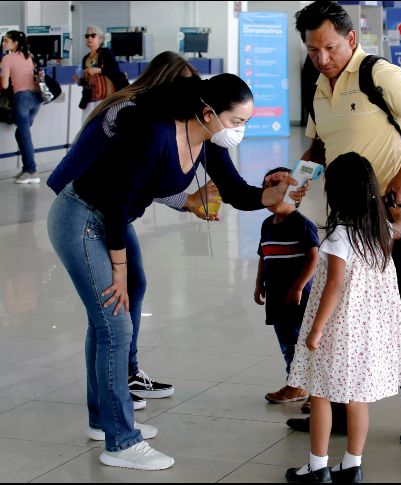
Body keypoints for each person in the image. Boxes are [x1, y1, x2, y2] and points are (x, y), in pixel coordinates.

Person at [47, 73, 304, 470]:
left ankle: (104, 419)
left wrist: (274, 194)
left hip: (111, 220)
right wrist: (118, 268)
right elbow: (117, 203)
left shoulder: (206, 140)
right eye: (237, 121)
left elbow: (235, 192)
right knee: (114, 324)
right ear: (207, 112)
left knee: (113, 317)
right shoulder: (157, 134)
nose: (240, 131)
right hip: (82, 218)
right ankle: (121, 442)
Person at [286, 0, 401, 444]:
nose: (323, 58)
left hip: (391, 212)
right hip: (344, 215)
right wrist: (297, 181)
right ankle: (334, 409)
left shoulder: (379, 74)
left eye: (331, 48)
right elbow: (319, 147)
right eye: (314, 50)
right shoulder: (319, 85)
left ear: (351, 39)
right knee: (337, 312)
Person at [48, 51, 213, 411]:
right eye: (185, 84)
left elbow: (144, 180)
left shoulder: (155, 116)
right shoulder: (131, 112)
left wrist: (188, 201)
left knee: (132, 288)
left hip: (110, 209)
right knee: (112, 315)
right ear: (165, 82)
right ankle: (116, 395)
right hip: (87, 207)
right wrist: (116, 265)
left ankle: (125, 376)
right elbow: (128, 182)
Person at [285, 152, 401, 484]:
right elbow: (400, 227)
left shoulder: (340, 235)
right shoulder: (379, 229)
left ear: (337, 193)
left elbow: (335, 286)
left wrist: (315, 331)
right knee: (358, 398)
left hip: (339, 328)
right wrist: (398, 212)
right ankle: (353, 466)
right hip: (369, 329)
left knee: (320, 394)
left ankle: (317, 467)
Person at [255, 167, 320, 405]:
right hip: (276, 295)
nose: (270, 194)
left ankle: (316, 392)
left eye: (277, 188)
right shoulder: (266, 225)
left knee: (305, 342)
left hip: (299, 297)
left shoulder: (302, 223)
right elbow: (264, 255)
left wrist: (299, 287)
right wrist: (258, 285)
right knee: (287, 342)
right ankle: (296, 385)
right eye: (266, 188)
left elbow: (314, 258)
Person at [0, 31, 42, 184]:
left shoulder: (7, 58)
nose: (4, 43)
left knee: (24, 135)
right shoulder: (29, 56)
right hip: (36, 100)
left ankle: (32, 171)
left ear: (15, 43)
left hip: (22, 99)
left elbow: (4, 85)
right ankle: (26, 169)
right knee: (21, 133)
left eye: (7, 40)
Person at [74, 25, 127, 122]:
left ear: (100, 38)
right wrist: (81, 81)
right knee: (87, 126)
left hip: (105, 97)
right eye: (87, 36)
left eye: (93, 35)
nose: (89, 38)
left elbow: (116, 72)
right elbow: (88, 82)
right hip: (90, 98)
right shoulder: (85, 58)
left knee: (103, 126)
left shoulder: (106, 53)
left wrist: (99, 70)